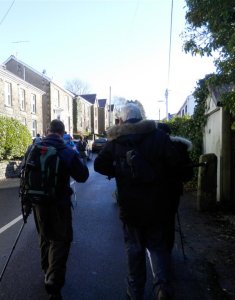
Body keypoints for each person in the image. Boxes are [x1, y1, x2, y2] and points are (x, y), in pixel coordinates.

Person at [94, 103, 181, 300]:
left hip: (130, 206)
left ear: (122, 120)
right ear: (141, 117)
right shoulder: (158, 136)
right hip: (156, 205)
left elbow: (99, 165)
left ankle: (135, 293)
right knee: (158, 248)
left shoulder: (117, 140)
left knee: (134, 250)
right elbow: (175, 165)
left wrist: (117, 171)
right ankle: (162, 288)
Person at [22, 120, 89, 300]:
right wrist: (77, 155)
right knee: (61, 240)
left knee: (44, 237)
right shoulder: (66, 151)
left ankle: (46, 270)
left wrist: (27, 202)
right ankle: (53, 279)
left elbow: (25, 175)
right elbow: (83, 176)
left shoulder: (32, 149)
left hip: (38, 203)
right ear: (62, 133)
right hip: (59, 204)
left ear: (47, 131)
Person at [157, 122, 194, 252]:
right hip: (173, 190)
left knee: (155, 219)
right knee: (169, 220)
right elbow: (188, 174)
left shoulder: (151, 146)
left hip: (154, 190)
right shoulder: (180, 147)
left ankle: (159, 247)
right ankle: (168, 247)